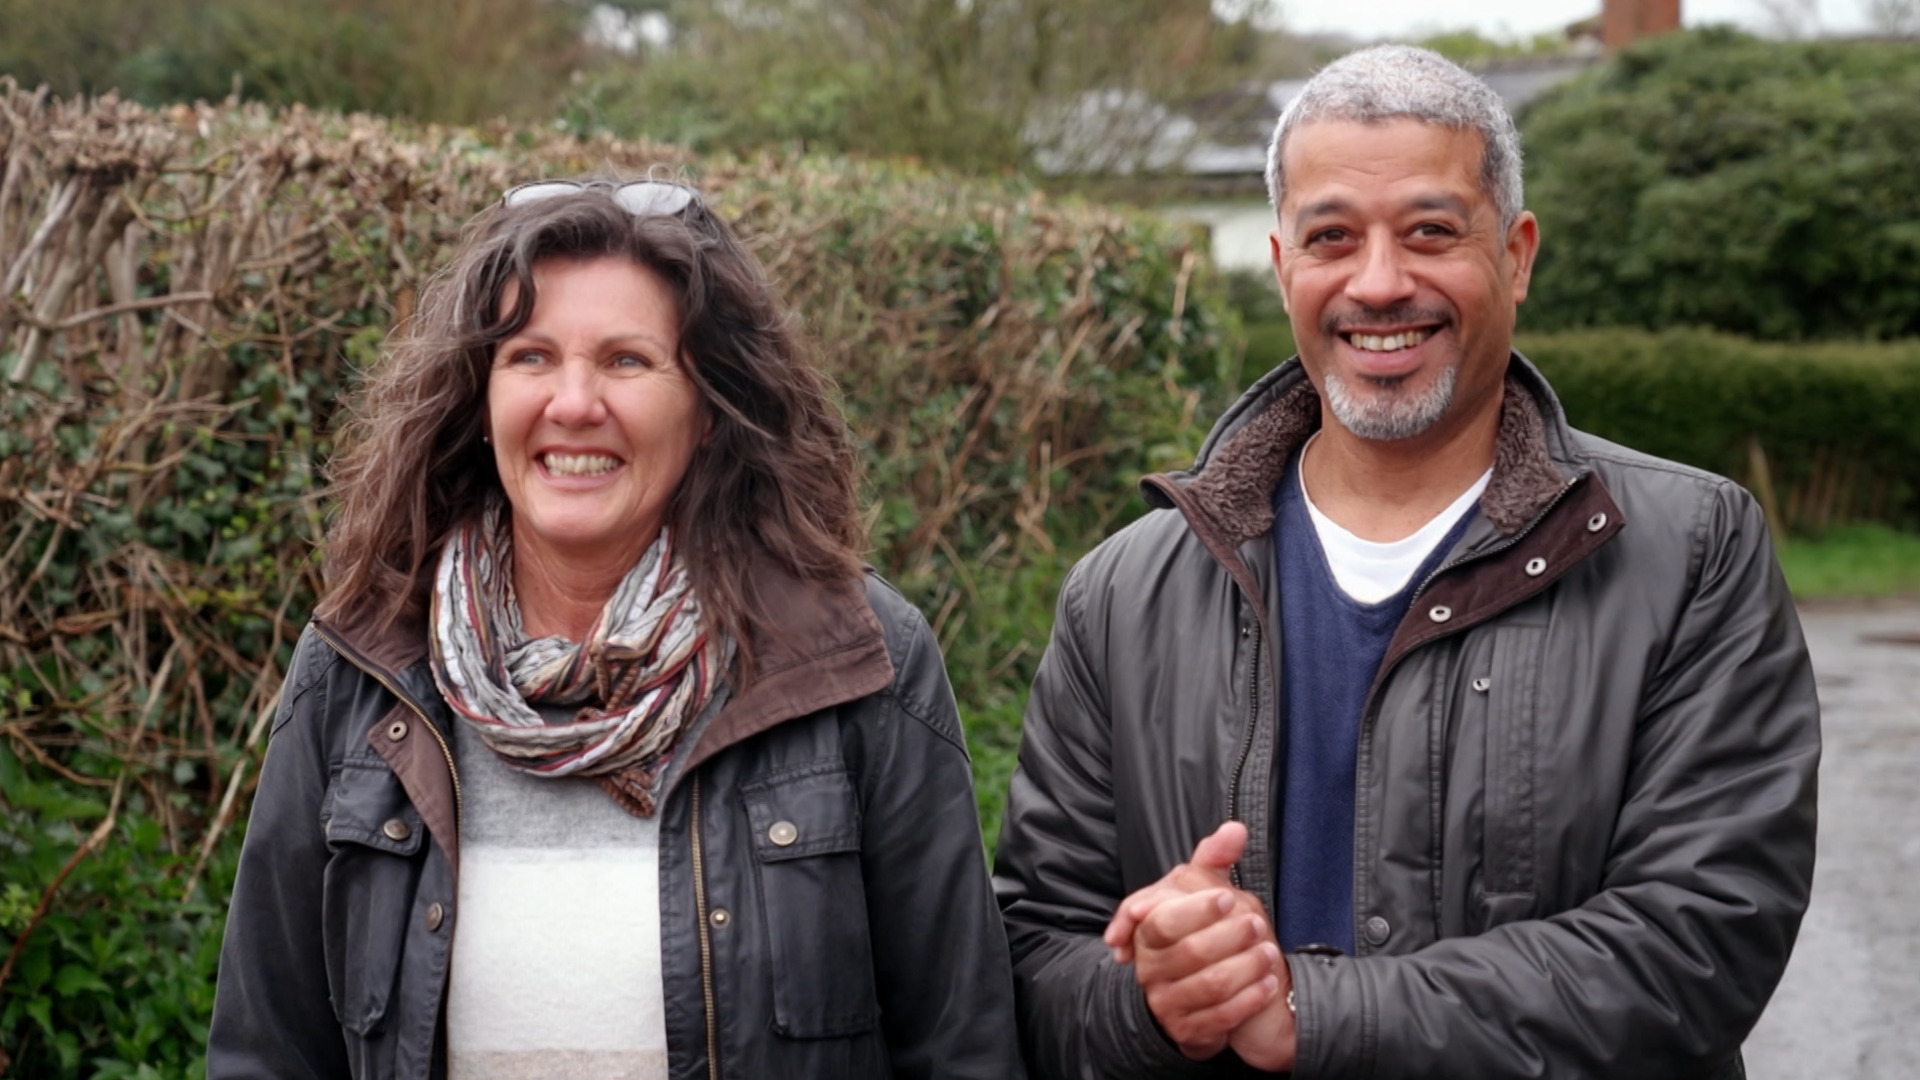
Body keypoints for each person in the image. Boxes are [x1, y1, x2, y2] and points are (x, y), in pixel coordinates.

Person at [993, 44, 1820, 1079]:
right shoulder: (1123, 594)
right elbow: (1030, 956)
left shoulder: (1691, 551)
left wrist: (1315, 1013)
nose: (1379, 284)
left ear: (1517, 254)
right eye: (1331, 237)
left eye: (1430, 231)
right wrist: (1154, 997)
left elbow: (1702, 944)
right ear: (1284, 266)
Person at [208, 177, 1023, 1079]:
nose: (573, 403)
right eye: (530, 356)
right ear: (479, 397)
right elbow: (266, 1054)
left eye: (627, 361)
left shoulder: (853, 657)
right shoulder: (363, 663)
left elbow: (961, 1050)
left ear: (710, 409)